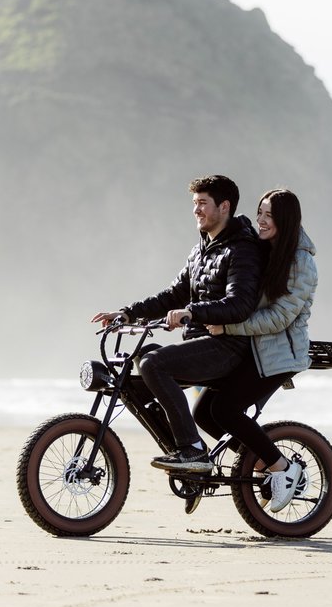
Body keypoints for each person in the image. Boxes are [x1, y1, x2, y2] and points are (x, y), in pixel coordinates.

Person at [92, 175, 262, 474]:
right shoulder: (201, 250)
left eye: (203, 204)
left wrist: (191, 313)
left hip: (230, 346)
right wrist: (127, 314)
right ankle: (184, 451)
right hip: (201, 343)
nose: (196, 210)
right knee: (139, 364)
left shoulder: (243, 249)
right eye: (194, 204)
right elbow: (173, 295)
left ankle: (192, 450)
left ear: (224, 206)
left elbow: (240, 305)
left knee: (155, 363)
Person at [198, 188, 319, 513]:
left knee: (225, 410)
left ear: (286, 220)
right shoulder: (261, 251)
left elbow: (280, 317)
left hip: (280, 354)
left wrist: (229, 327)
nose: (261, 220)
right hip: (251, 350)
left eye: (269, 215)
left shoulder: (301, 261)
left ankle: (282, 467)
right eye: (260, 213)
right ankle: (267, 461)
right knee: (202, 413)